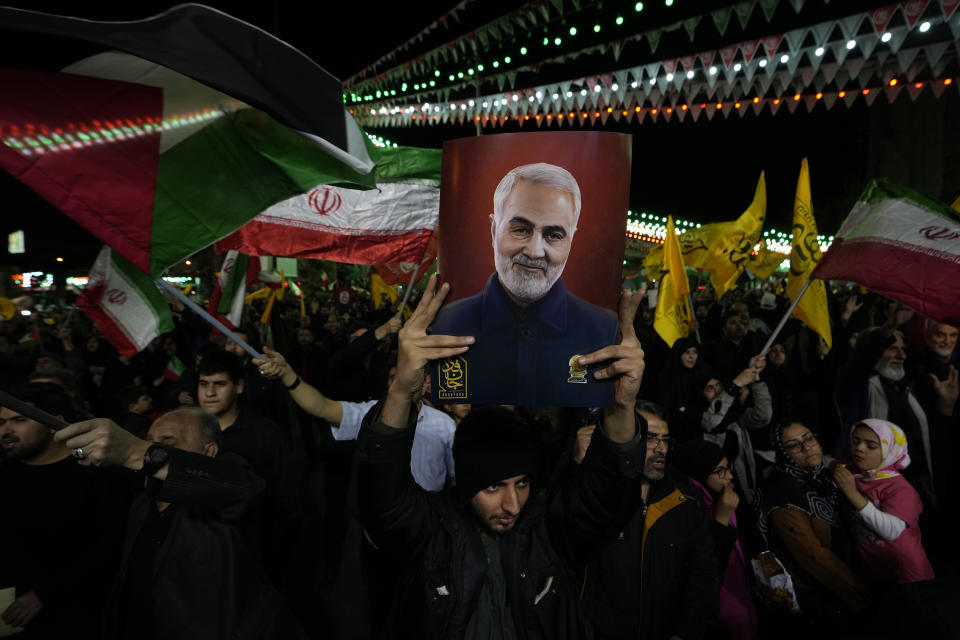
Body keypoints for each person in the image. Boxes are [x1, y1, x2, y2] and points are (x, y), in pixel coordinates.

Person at [356, 275, 647, 637]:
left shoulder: (549, 531)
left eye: (522, 483)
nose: (513, 504)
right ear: (463, 481)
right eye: (493, 487)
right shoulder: (431, 534)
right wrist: (402, 390)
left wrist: (621, 407)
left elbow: (608, 495)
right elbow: (380, 496)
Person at [53, 407, 306, 640]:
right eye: (148, 440)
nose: (152, 448)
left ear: (208, 452)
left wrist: (135, 451)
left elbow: (240, 488)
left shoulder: (231, 482)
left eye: (167, 443)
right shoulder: (142, 503)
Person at [431, 162, 618, 407]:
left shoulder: (606, 329)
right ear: (493, 229)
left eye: (554, 235)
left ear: (571, 241)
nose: (534, 251)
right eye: (520, 229)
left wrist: (624, 407)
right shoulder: (446, 323)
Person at [0, 383, 135, 640]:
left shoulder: (99, 476)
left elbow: (109, 547)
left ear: (53, 423)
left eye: (19, 420)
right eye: (1, 421)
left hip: (75, 619)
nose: (6, 430)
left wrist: (45, 593)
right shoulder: (6, 476)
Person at [577, 400, 719, 640]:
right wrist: (577, 470)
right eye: (652, 438)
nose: (662, 449)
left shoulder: (686, 498)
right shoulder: (596, 493)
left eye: (665, 440)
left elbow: (703, 573)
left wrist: (685, 632)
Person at [197, 351, 301, 590]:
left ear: (239, 387)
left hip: (256, 551)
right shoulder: (189, 433)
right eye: (203, 384)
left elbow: (287, 500)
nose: (209, 393)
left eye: (219, 384)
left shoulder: (266, 434)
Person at [757, 420, 870, 620]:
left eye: (808, 438)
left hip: (850, 571)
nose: (806, 446)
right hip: (824, 590)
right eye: (793, 445)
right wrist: (858, 590)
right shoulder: (783, 495)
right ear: (783, 454)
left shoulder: (826, 477)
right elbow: (813, 557)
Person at [672, 439, 757, 640]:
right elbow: (707, 566)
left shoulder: (723, 496)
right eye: (720, 471)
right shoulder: (689, 509)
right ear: (699, 472)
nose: (729, 475)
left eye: (728, 468)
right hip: (715, 612)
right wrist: (721, 520)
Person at [832, 419, 934, 586]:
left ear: (890, 451)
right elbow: (828, 461)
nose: (859, 448)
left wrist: (852, 494)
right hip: (876, 572)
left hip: (908, 575)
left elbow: (891, 531)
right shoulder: (853, 470)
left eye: (871, 446)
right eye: (855, 442)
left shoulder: (900, 489)